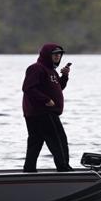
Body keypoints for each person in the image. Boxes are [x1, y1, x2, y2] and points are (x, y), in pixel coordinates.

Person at [22, 43, 73, 171]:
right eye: (54, 54)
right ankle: (64, 168)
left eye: (59, 54)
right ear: (46, 55)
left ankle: (29, 169)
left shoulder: (52, 72)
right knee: (58, 140)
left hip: (38, 113)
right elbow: (28, 88)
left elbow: (58, 88)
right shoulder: (36, 68)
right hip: (43, 112)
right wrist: (46, 100)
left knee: (36, 142)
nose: (57, 56)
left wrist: (65, 77)